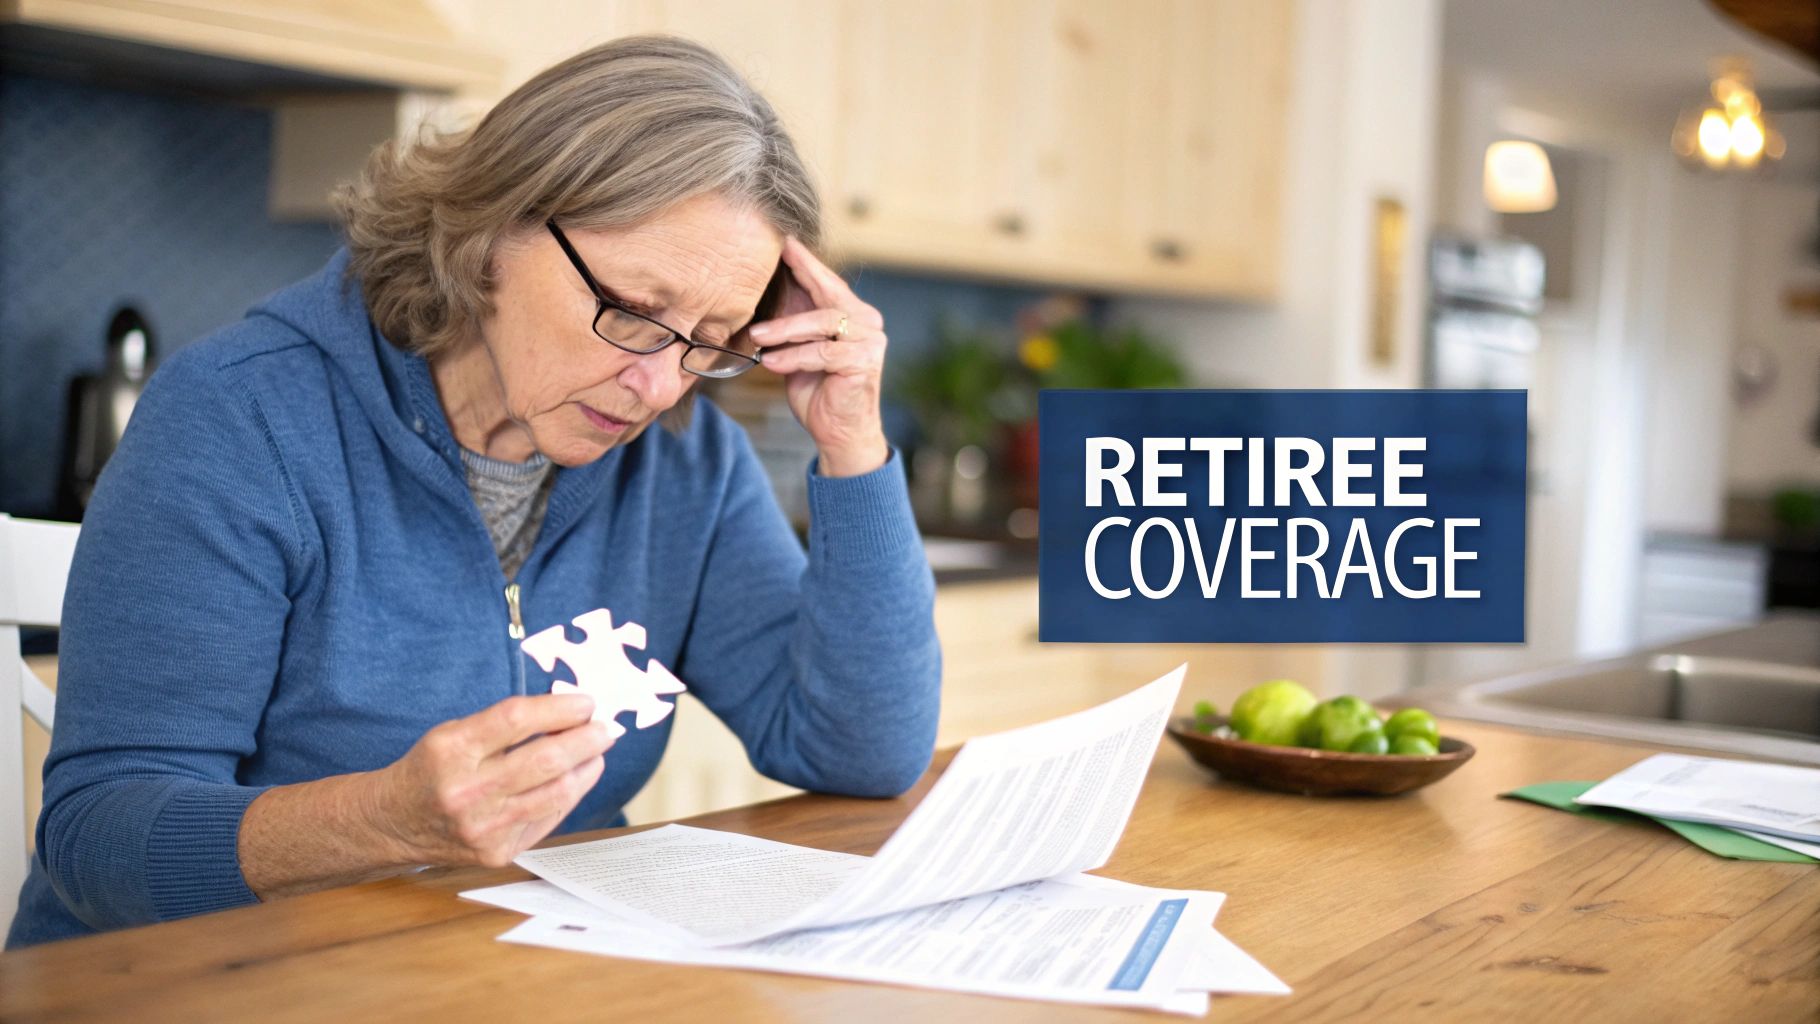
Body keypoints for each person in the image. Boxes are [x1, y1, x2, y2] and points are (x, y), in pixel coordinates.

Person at [7, 36, 940, 948]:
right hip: (222, 983)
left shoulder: (688, 465)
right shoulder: (241, 418)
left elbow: (860, 752)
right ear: (495, 228)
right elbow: (100, 841)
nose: (660, 387)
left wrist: (853, 439)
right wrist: (385, 820)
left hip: (510, 973)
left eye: (713, 340)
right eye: (634, 313)